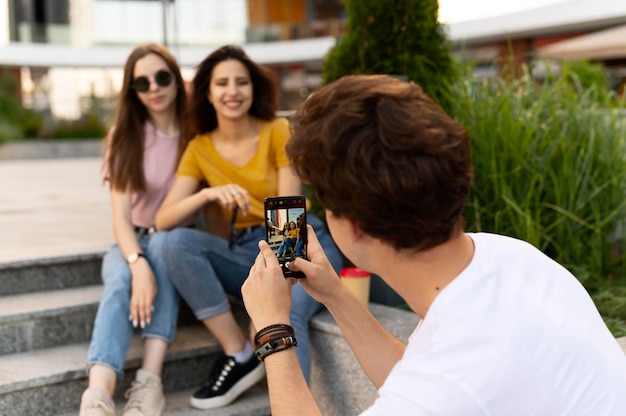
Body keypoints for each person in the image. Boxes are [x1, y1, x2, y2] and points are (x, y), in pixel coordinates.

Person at [241, 74, 626, 415]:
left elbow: (444, 387)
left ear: (353, 226)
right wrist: (336, 296)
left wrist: (274, 329)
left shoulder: (453, 380)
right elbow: (419, 376)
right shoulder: (510, 255)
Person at [154, 45, 343, 410]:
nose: (232, 91)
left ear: (253, 89)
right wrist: (208, 194)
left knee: (284, 318)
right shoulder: (199, 148)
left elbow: (290, 214)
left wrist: (275, 298)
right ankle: (238, 353)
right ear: (207, 92)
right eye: (222, 83)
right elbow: (163, 220)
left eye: (241, 82)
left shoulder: (276, 130)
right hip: (245, 252)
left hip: (296, 243)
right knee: (173, 242)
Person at [79, 43, 191, 416]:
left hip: (177, 242)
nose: (154, 88)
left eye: (162, 77)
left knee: (166, 245)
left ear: (176, 79)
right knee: (120, 284)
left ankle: (149, 382)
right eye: (142, 83)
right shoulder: (124, 137)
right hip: (132, 239)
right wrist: (136, 261)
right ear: (132, 91)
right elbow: (121, 219)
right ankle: (98, 394)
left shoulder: (198, 135)